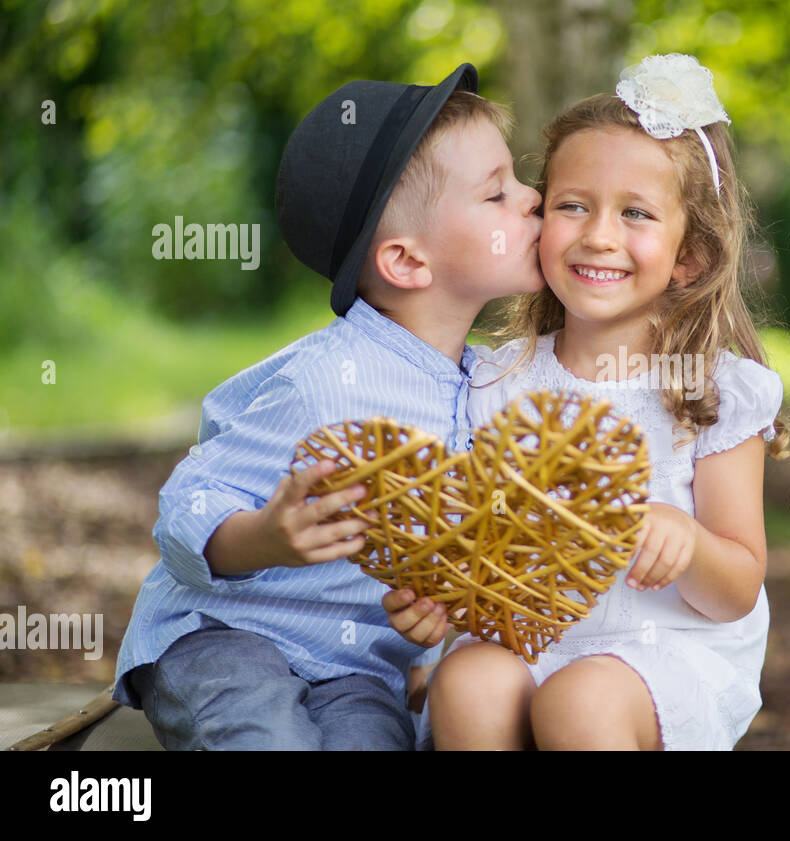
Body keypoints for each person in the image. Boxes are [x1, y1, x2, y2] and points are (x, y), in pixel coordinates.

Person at [112, 64, 544, 750]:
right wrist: (263, 538)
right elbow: (188, 499)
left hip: (355, 666)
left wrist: (434, 623)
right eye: (497, 193)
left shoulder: (494, 389)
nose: (532, 198)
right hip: (230, 638)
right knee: (269, 737)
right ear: (406, 263)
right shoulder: (325, 381)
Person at [387, 54, 790, 750]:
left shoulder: (710, 391)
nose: (599, 234)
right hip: (527, 640)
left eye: (635, 213)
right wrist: (436, 602)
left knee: (582, 701)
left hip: (661, 657)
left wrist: (688, 540)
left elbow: (736, 587)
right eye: (573, 205)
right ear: (540, 221)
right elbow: (469, 548)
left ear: (688, 255)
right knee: (469, 680)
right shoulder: (494, 383)